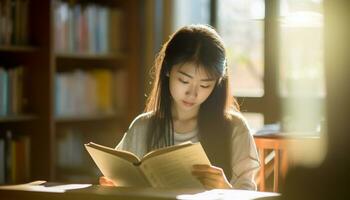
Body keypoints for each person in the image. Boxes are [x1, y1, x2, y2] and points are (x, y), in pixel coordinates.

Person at [100, 24, 260, 190]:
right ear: (168, 69)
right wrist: (114, 185)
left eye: (205, 85)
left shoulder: (234, 127)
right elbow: (122, 177)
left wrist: (226, 189)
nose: (192, 93)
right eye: (184, 81)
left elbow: (248, 192)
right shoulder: (143, 126)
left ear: (217, 84)